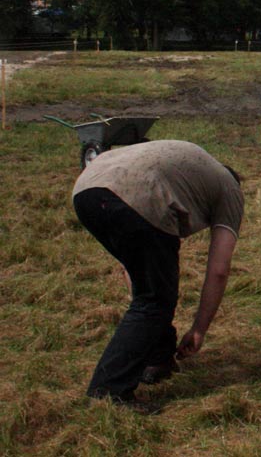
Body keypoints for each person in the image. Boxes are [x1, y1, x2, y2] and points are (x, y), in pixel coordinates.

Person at [72, 140, 244, 408]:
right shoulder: (230, 190)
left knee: (152, 293)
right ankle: (108, 391)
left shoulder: (187, 171)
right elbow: (219, 270)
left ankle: (158, 359)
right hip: (138, 197)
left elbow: (133, 266)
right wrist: (199, 329)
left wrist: (144, 299)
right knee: (155, 301)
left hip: (87, 189)